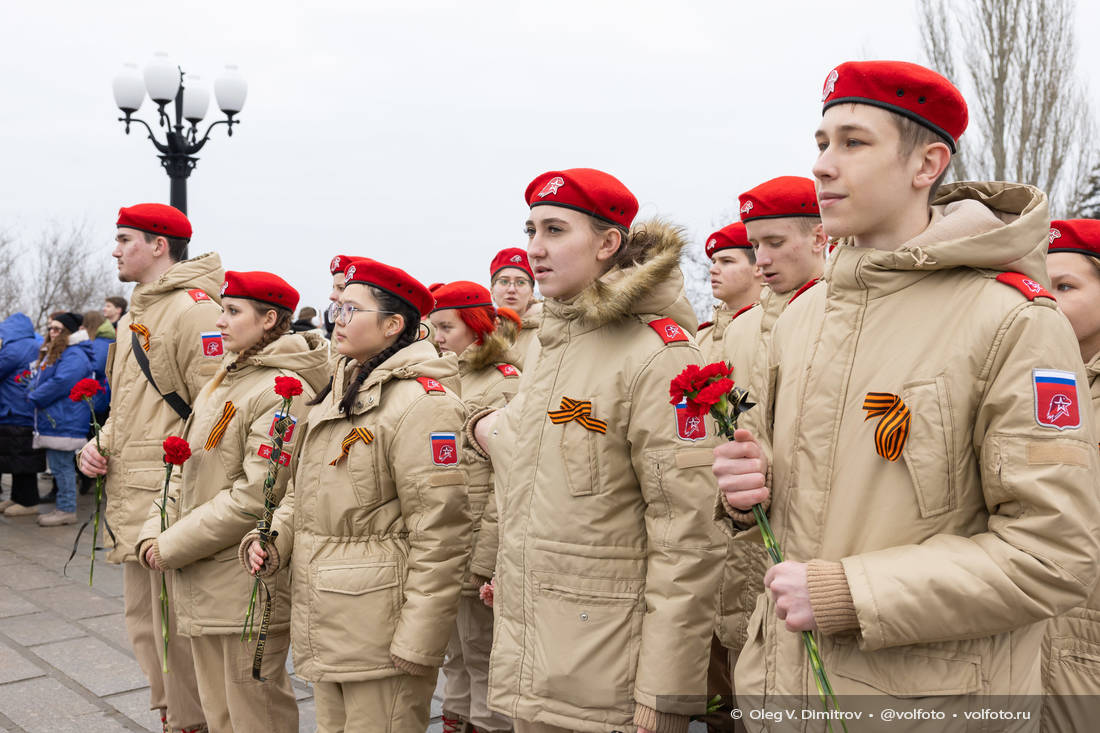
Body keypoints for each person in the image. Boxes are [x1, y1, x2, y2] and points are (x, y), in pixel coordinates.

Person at [714, 60, 1100, 726]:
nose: (824, 165)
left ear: (928, 163)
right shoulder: (803, 316)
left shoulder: (1012, 320)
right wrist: (753, 493)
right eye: (821, 142)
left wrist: (849, 592)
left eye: (853, 142)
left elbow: (1052, 552)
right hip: (783, 694)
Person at [469, 168, 725, 733]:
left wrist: (665, 692)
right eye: (531, 229)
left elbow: (687, 535)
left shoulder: (657, 353)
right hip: (539, 659)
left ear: (609, 244)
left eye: (556, 230)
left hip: (609, 675)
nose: (535, 249)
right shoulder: (552, 345)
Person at [243, 258, 472, 733]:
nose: (337, 320)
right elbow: (302, 494)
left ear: (393, 325)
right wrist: (273, 537)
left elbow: (442, 532)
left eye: (351, 310)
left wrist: (419, 639)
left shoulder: (422, 404)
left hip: (383, 632)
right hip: (330, 619)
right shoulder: (341, 391)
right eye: (337, 309)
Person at [135, 271, 329, 733]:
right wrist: (152, 530)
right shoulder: (225, 378)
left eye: (232, 312)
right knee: (219, 711)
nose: (219, 321)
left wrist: (171, 546)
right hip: (202, 571)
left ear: (269, 320)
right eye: (223, 309)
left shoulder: (284, 389)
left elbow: (256, 497)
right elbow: (185, 467)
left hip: (243, 575)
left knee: (253, 712)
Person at [78, 203, 220, 733]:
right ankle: (175, 713)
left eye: (125, 239)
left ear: (159, 245)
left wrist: (187, 484)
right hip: (133, 483)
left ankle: (191, 721)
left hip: (171, 489)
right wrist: (98, 445)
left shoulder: (194, 310)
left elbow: (213, 411)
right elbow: (128, 406)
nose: (115, 250)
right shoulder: (141, 310)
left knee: (175, 624)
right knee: (146, 622)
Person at [429, 280, 520, 733]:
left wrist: (486, 560)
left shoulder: (504, 384)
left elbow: (508, 483)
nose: (438, 337)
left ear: (476, 325)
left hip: (480, 548)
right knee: (455, 656)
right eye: (434, 327)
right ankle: (456, 721)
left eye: (447, 326)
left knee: (483, 656)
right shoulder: (445, 377)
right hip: (448, 543)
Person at [1042, 218, 1100, 730]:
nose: (1048, 300)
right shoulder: (1032, 375)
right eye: (1042, 286)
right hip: (1032, 623)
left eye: (1067, 286)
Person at [26, 312, 94, 526]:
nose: (52, 332)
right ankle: (64, 507)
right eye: (50, 328)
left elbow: (61, 382)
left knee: (62, 467)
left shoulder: (74, 354)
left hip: (65, 417)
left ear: (69, 332)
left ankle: (66, 510)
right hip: (57, 416)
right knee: (58, 466)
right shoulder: (62, 352)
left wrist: (35, 396)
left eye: (57, 329)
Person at [696, 222, 763, 363]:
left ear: (758, 266)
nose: (713, 269)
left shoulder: (772, 328)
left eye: (726, 261)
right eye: (713, 261)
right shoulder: (698, 339)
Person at [0, 312, 45, 514]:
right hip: (29, 409)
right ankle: (17, 497)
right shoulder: (37, 344)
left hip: (14, 409)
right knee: (23, 456)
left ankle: (28, 502)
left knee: (20, 457)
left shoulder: (13, 349)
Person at [489, 247, 540, 368]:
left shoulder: (546, 332)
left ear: (532, 292)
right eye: (504, 282)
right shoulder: (479, 333)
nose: (512, 289)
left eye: (521, 282)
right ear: (492, 290)